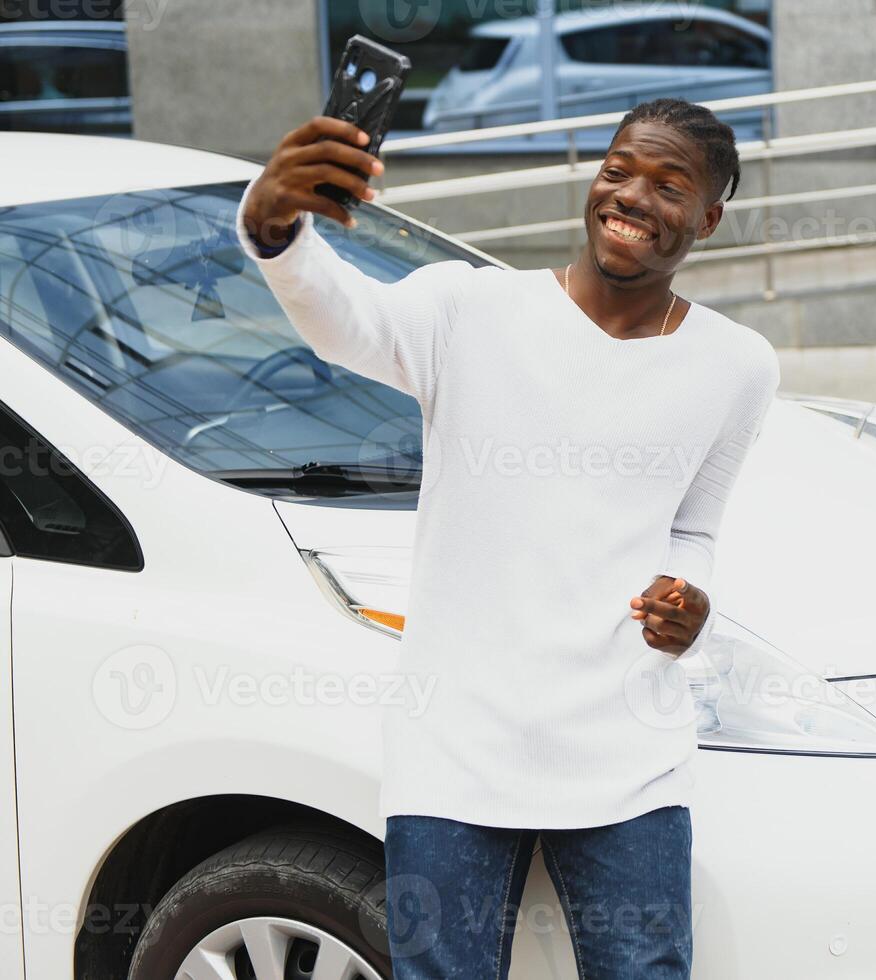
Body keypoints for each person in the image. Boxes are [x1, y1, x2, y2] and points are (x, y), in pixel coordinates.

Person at [235, 96, 780, 979]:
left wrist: (692, 599)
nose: (631, 196)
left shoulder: (738, 365)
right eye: (617, 169)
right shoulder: (469, 308)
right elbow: (350, 323)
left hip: (627, 749)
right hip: (455, 743)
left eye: (669, 184)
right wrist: (278, 233)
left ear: (710, 217)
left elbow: (693, 525)